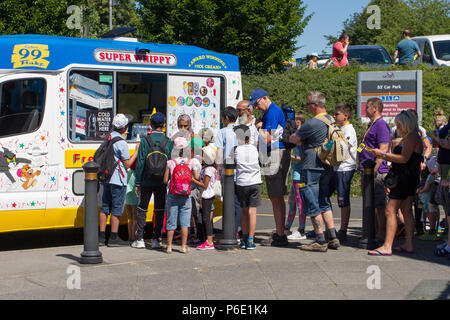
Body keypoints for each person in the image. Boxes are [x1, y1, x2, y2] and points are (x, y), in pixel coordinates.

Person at [288, 91, 340, 252]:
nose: (306, 107)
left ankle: (320, 239)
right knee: (324, 200)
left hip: (312, 165)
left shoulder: (312, 123)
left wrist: (294, 135)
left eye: (308, 104)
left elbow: (294, 139)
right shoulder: (331, 120)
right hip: (327, 165)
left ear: (315, 105)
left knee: (311, 200)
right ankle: (332, 237)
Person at [368, 110, 423, 256]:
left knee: (390, 210)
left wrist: (383, 154)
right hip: (410, 177)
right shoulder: (414, 136)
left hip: (403, 178)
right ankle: (408, 244)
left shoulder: (411, 137)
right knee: (406, 211)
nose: (397, 126)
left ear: (405, 123)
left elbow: (404, 158)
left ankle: (387, 246)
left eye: (398, 124)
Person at [251, 89, 291, 246]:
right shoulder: (273, 112)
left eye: (257, 103)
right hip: (277, 153)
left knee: (275, 196)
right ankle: (280, 232)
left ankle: (280, 234)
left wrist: (257, 127)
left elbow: (267, 138)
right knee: (277, 196)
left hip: (274, 154)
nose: (256, 107)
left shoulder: (271, 113)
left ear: (265, 98)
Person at [133, 112, 173, 249]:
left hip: (146, 180)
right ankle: (156, 239)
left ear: (151, 124)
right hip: (162, 181)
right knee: (160, 209)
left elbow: (140, 163)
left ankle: (140, 239)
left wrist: (137, 182)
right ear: (163, 125)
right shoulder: (168, 142)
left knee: (142, 208)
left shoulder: (145, 141)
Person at [99, 113, 139, 247]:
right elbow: (127, 164)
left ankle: (100, 237)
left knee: (105, 207)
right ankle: (113, 237)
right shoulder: (121, 142)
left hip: (106, 178)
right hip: (117, 179)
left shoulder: (109, 137)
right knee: (117, 208)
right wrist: (136, 153)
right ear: (123, 128)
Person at [358, 98, 391, 242]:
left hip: (376, 172)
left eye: (367, 107)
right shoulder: (372, 124)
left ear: (375, 108)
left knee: (378, 204)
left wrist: (374, 171)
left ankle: (380, 233)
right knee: (370, 203)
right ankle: (371, 231)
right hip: (367, 170)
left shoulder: (381, 125)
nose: (365, 110)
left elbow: (383, 150)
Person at [164, 137, 199, 254]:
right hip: (186, 195)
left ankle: (169, 246)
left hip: (172, 194)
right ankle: (184, 247)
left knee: (171, 221)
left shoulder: (170, 162)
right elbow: (196, 178)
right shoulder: (191, 162)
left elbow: (165, 180)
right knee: (185, 223)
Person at [215, 106, 242, 238]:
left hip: (227, 172)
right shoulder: (241, 131)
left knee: (228, 203)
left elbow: (219, 152)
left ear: (226, 118)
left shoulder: (222, 132)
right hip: (241, 171)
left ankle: (228, 231)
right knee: (238, 203)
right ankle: (236, 230)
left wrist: (216, 167)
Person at [234, 124, 262, 250]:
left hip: (241, 183)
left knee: (244, 211)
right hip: (255, 182)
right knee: (252, 211)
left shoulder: (236, 150)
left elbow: (231, 163)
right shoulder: (255, 148)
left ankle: (244, 238)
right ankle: (251, 239)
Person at [333, 103, 357, 243]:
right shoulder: (339, 128)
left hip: (345, 168)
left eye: (337, 114)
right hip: (337, 168)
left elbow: (343, 147)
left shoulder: (349, 130)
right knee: (337, 198)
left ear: (345, 116)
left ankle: (343, 229)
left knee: (343, 199)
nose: (335, 116)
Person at [285, 110, 307, 240]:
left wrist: (291, 157)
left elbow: (302, 157)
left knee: (300, 202)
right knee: (292, 202)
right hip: (295, 174)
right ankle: (287, 227)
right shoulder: (297, 135)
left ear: (298, 122)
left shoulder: (302, 137)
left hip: (300, 174)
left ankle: (301, 229)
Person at [192, 145, 217, 250]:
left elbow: (205, 185)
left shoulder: (208, 170)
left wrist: (192, 180)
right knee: (205, 218)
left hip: (207, 195)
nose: (201, 157)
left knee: (206, 219)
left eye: (203, 156)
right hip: (206, 195)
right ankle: (207, 239)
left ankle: (209, 241)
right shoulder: (208, 168)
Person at [432, 114, 450, 257]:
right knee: (446, 208)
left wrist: (440, 140)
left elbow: (445, 144)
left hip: (447, 171)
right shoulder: (446, 128)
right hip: (444, 169)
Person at [417, 157, 440, 241]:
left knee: (430, 212)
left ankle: (432, 230)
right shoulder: (435, 176)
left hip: (428, 198)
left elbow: (426, 188)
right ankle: (435, 228)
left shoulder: (431, 176)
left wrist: (420, 191)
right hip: (431, 197)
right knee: (434, 211)